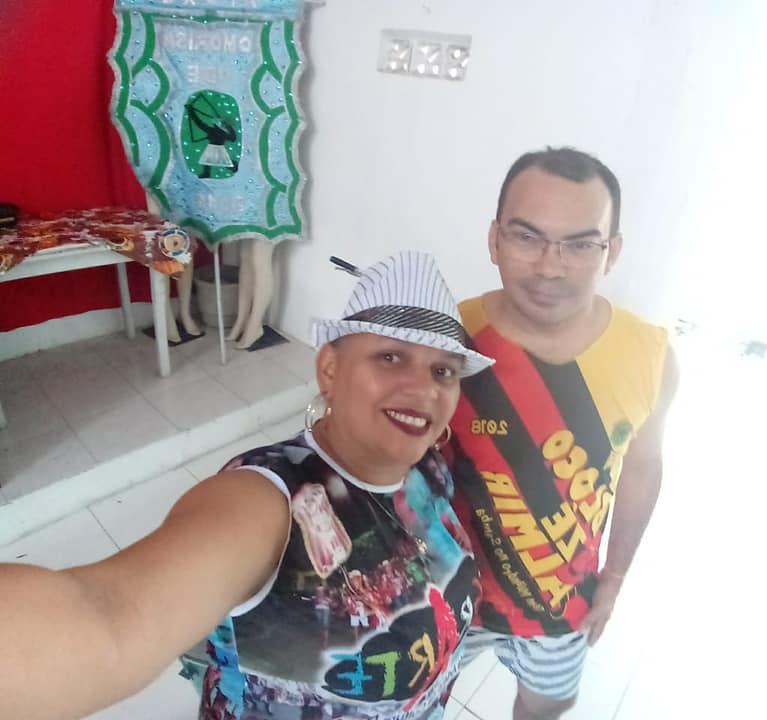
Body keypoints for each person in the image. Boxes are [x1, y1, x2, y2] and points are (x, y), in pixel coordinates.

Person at [0, 250, 495, 720]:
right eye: (390, 357)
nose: (423, 389)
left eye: (442, 371)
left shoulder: (429, 469)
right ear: (329, 369)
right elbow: (108, 619)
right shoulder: (266, 499)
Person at [447, 147, 679, 719]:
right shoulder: (446, 339)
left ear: (612, 252)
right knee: (416, 702)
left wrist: (615, 575)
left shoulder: (650, 356)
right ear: (495, 239)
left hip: (561, 602)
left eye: (579, 245)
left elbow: (643, 468)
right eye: (527, 237)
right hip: (449, 591)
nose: (550, 267)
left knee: (546, 707)